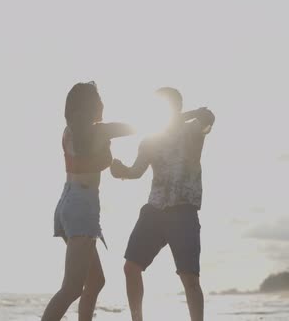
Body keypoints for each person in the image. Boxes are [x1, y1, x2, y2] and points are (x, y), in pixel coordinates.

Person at [110, 87, 215, 321]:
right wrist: (121, 171)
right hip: (154, 210)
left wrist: (188, 115)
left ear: (177, 107)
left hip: (184, 209)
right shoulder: (149, 140)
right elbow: (136, 171)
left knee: (189, 278)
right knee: (131, 268)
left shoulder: (193, 130)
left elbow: (209, 119)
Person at [42, 82, 133, 321]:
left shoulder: (69, 131)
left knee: (95, 281)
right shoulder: (99, 131)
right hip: (82, 207)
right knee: (72, 288)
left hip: (68, 203)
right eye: (99, 99)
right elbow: (141, 127)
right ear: (92, 105)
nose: (102, 104)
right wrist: (187, 116)